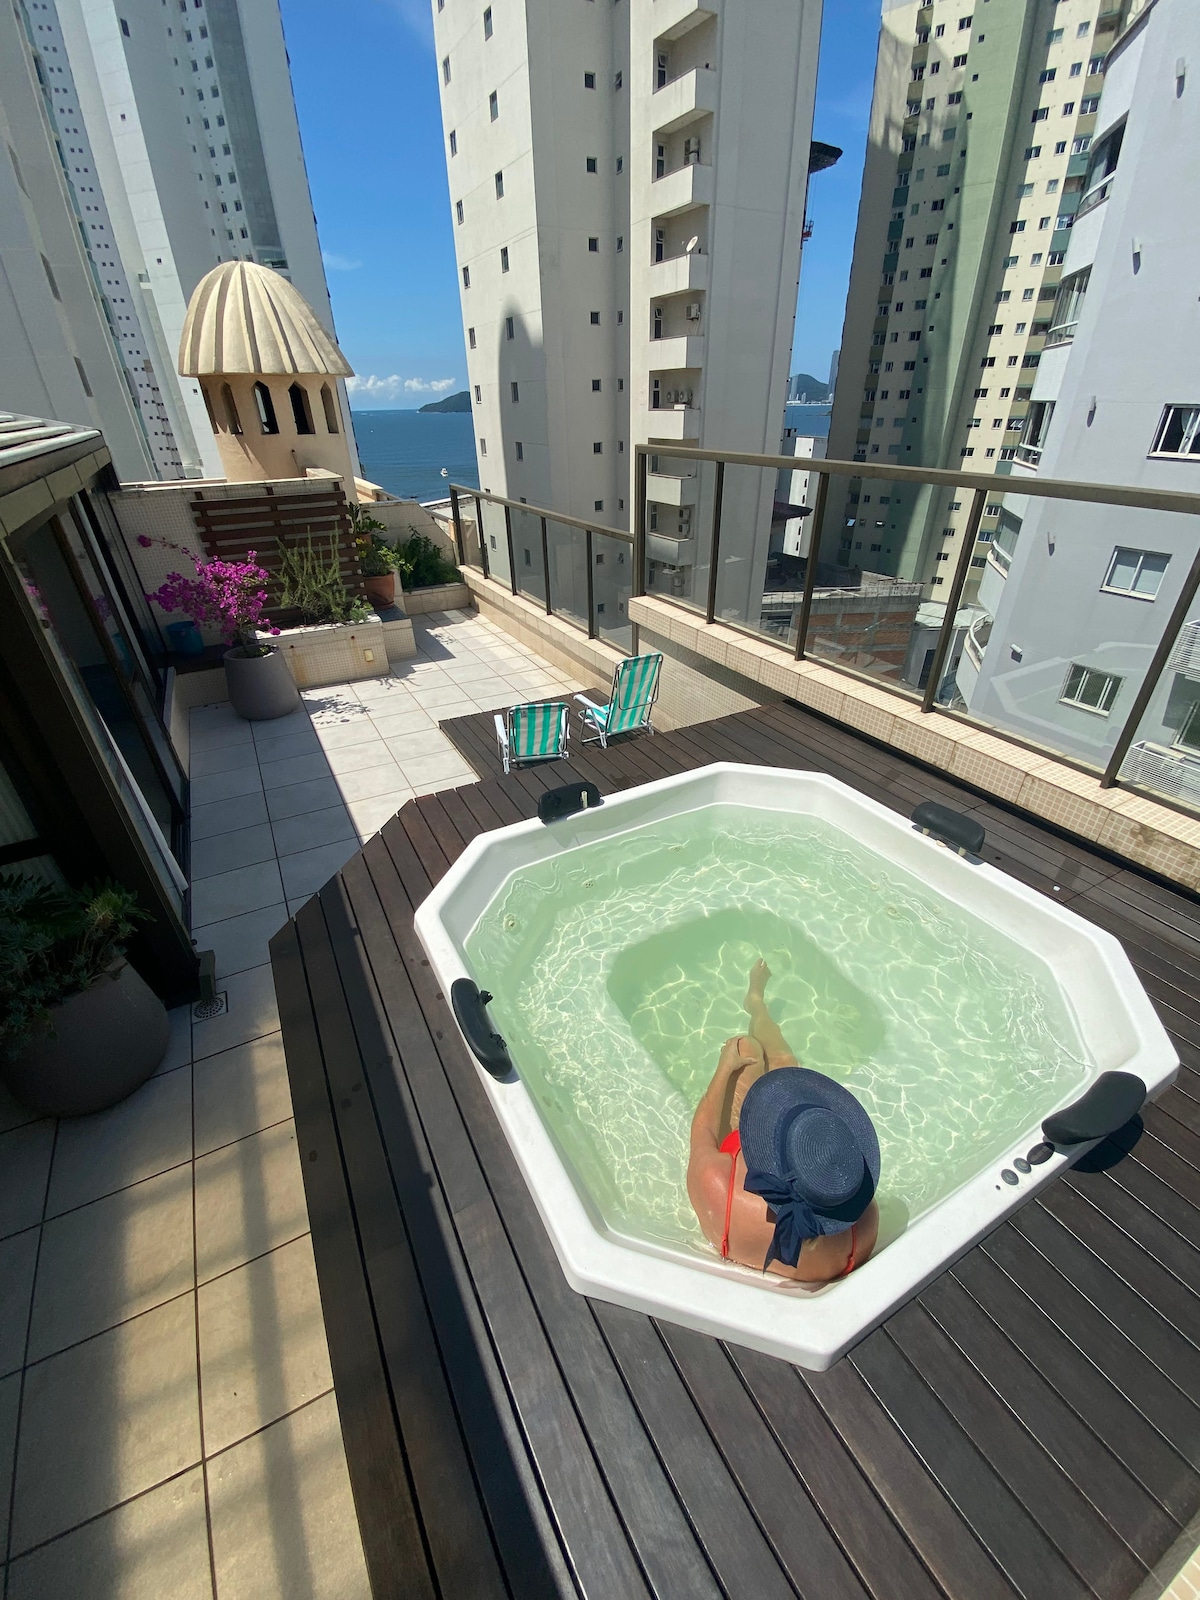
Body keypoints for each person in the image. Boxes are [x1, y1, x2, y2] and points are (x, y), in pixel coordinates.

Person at [686, 961, 880, 1283]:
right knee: (784, 1062)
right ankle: (757, 1004)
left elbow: (703, 1129)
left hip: (736, 1159)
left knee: (746, 1049)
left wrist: (724, 1066)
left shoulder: (720, 1189)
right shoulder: (862, 1226)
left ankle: (755, 1005)